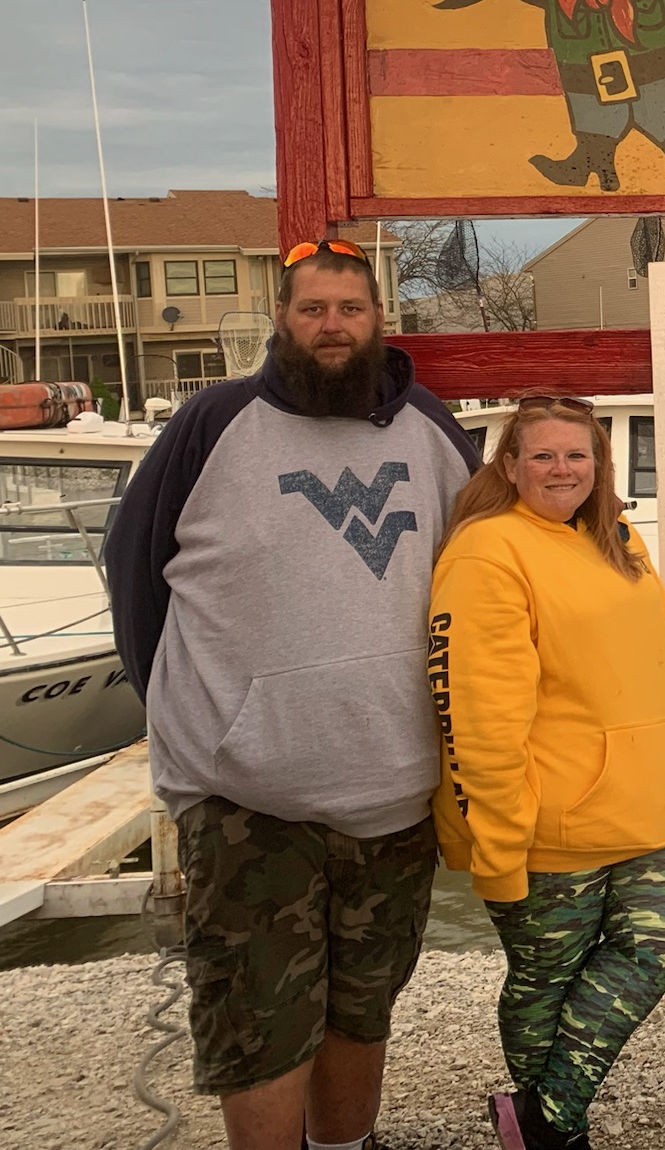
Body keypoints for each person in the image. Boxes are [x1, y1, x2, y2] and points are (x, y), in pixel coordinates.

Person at [107, 239, 479, 1150]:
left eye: (350, 309)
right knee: (257, 1018)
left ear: (378, 318)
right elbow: (134, 573)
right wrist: (192, 717)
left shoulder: (431, 427)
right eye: (312, 309)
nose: (331, 327)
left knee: (364, 1004)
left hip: (396, 789)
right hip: (248, 798)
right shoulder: (211, 423)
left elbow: (484, 583)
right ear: (282, 318)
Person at [430, 396, 665, 1150]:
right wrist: (499, 836)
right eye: (544, 455)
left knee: (663, 935)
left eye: (576, 455)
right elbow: (478, 707)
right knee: (545, 979)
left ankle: (543, 1121)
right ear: (510, 465)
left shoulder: (614, 536)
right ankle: (559, 1130)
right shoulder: (487, 550)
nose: (562, 469)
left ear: (599, 462)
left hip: (648, 801)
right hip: (549, 817)